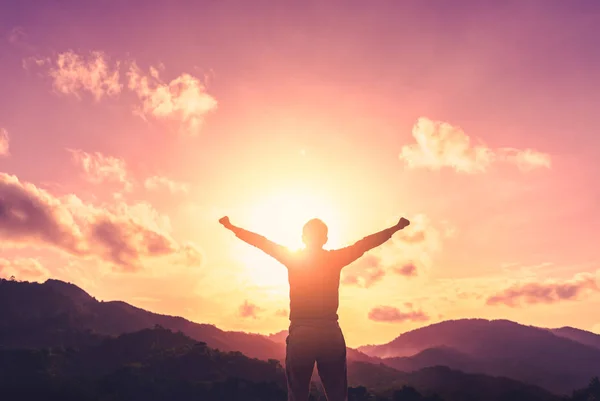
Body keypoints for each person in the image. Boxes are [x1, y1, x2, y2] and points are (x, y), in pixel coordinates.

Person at [219, 215, 411, 401]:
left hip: (302, 334)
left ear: (303, 238)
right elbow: (365, 244)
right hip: (330, 333)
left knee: (297, 395)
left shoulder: (293, 258)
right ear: (325, 239)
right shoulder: (335, 258)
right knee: (337, 396)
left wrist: (232, 227)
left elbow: (262, 242)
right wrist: (395, 228)